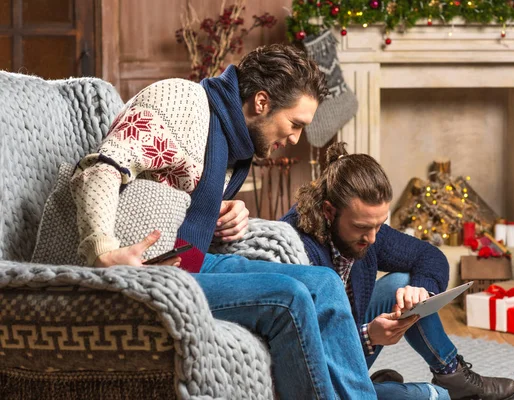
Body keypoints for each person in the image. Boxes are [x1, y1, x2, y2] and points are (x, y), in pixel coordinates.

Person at [70, 44, 378, 399]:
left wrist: (219, 208)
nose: (295, 139)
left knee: (325, 284)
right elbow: (100, 169)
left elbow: (174, 185)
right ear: (261, 102)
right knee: (288, 298)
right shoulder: (181, 103)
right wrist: (102, 252)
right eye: (294, 124)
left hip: (191, 259)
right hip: (151, 274)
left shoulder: (233, 137)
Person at [280, 142, 514, 400]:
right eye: (362, 227)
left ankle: (453, 374)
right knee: (433, 396)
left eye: (379, 225)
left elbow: (429, 256)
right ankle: (373, 388)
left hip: (349, 347)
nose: (372, 238)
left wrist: (420, 290)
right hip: (310, 377)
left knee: (405, 285)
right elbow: (304, 349)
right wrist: (368, 335)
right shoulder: (294, 249)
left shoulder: (366, 229)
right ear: (329, 211)